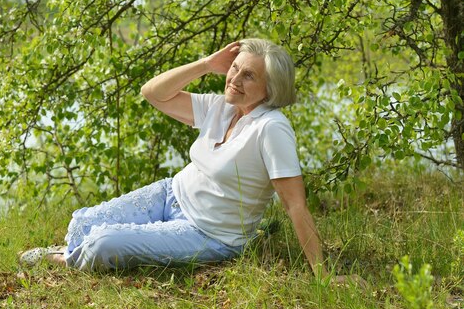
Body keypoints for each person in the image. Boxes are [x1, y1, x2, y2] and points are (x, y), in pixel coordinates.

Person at [20, 38, 327, 276]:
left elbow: (294, 203)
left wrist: (323, 274)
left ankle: (62, 258)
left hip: (208, 233)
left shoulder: (271, 129)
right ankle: (75, 246)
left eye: (248, 76)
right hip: (171, 194)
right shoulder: (220, 106)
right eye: (235, 68)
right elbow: (152, 92)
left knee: (102, 244)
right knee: (81, 223)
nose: (234, 79)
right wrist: (206, 64)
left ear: (269, 88)